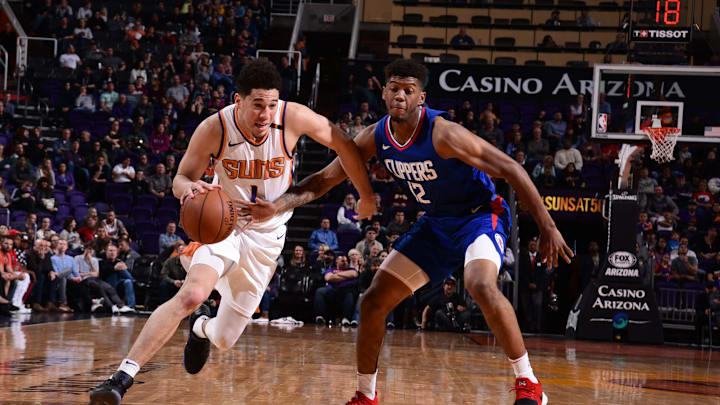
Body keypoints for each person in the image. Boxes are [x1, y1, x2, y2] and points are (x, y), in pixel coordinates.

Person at [240, 59, 572, 405]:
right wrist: (276, 206)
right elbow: (323, 179)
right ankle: (366, 395)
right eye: (394, 88)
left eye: (408, 91)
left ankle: (529, 382)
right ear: (383, 92)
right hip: (435, 224)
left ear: (421, 98)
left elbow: (511, 168)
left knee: (480, 283)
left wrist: (548, 226)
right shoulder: (376, 136)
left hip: (478, 217)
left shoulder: (444, 133)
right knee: (372, 302)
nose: (400, 95)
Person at [89, 59, 374, 405]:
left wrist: (365, 194)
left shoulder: (294, 118)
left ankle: (200, 328)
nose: (265, 113)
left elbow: (346, 144)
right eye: (257, 105)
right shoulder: (215, 127)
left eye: (271, 104)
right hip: (226, 224)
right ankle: (121, 378)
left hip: (268, 238)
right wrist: (188, 191)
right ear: (238, 101)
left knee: (224, 338)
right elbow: (182, 177)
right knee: (192, 294)